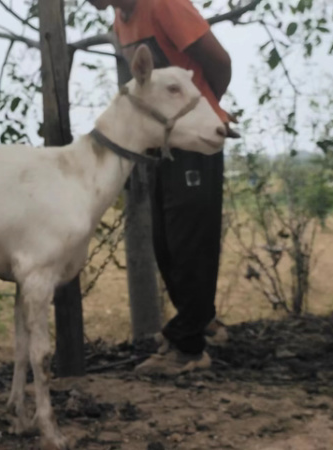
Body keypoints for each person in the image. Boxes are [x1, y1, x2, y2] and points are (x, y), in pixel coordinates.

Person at [87, 0, 233, 375]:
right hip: (162, 143)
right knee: (166, 241)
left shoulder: (165, 5)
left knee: (189, 239)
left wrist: (201, 110)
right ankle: (199, 322)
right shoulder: (121, 20)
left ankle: (189, 349)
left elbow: (219, 61)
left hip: (193, 137)